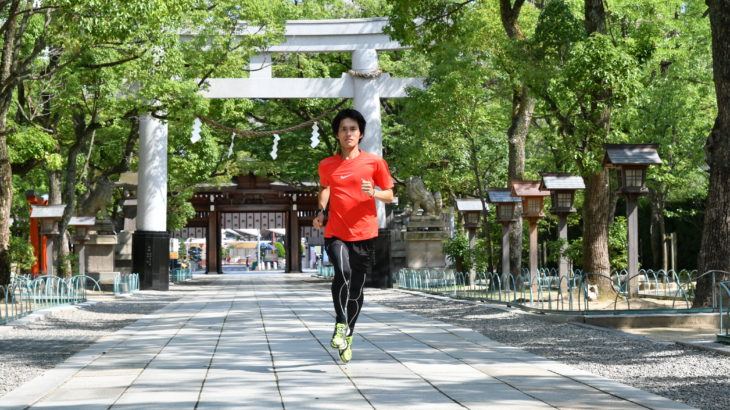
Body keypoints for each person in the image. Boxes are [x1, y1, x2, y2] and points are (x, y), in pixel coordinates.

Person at [313, 108, 394, 363]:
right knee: (343, 273)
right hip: (336, 231)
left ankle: (348, 336)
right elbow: (325, 189)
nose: (348, 133)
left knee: (357, 290)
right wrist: (321, 211)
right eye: (343, 129)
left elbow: (390, 195)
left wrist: (374, 193)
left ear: (360, 134)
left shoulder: (374, 162)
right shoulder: (327, 164)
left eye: (353, 129)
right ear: (337, 135)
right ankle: (340, 323)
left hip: (365, 232)